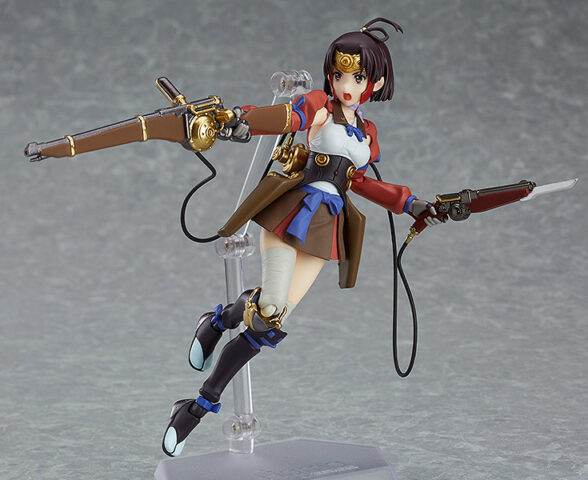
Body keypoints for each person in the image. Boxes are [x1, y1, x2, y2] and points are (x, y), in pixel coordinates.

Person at [162, 17, 442, 457]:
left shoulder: (368, 134)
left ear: (375, 82)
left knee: (269, 321)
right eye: (340, 75)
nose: (346, 85)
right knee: (269, 309)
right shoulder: (318, 106)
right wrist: (239, 119)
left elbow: (363, 184)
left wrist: (411, 203)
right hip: (291, 211)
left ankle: (217, 322)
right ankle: (199, 406)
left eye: (358, 77)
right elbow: (285, 116)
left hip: (325, 230)